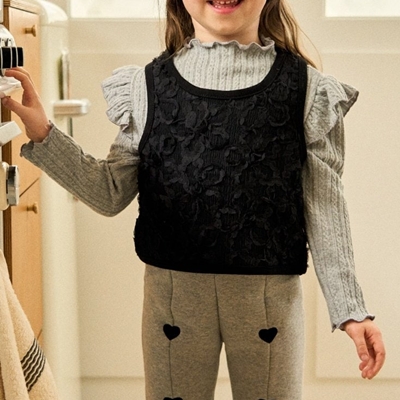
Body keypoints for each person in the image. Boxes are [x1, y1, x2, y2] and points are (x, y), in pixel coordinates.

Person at [1, 0, 385, 399]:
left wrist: (351, 310)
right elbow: (109, 193)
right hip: (173, 300)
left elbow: (325, 209)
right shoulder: (144, 88)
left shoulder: (309, 92)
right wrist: (43, 132)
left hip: (270, 301)